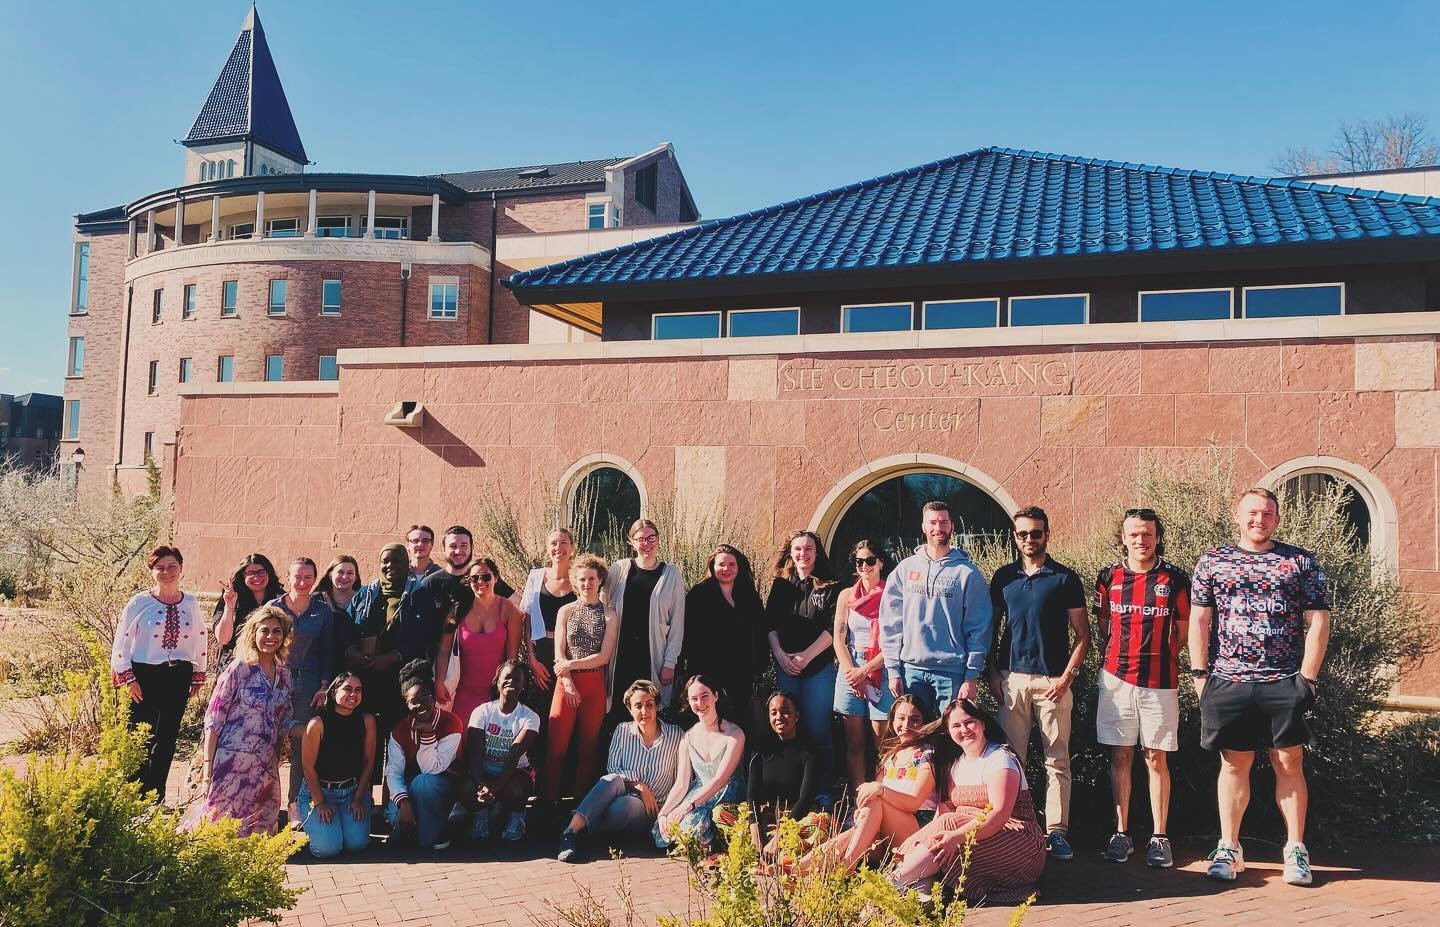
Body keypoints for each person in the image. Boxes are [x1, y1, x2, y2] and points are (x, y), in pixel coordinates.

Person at [1190, 488, 1330, 887]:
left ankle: (1296, 849)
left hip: (1283, 680)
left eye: (1267, 514)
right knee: (1234, 764)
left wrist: (1308, 678)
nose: (1259, 520)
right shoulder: (1214, 561)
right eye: (1252, 513)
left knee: (1289, 764)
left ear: (1277, 519)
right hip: (1228, 679)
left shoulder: (1299, 561)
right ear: (1237, 516)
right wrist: (1200, 675)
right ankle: (1229, 847)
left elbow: (1318, 618)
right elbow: (1200, 618)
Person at [985, 506, 1089, 862]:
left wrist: (1066, 679)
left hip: (1052, 682)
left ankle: (1057, 832)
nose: (1030, 539)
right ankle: (1014, 828)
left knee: (1057, 760)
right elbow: (989, 630)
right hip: (1011, 679)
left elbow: (1083, 635)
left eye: (1036, 533)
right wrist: (992, 674)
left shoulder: (1065, 578)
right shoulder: (1003, 578)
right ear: (1014, 536)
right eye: (1023, 534)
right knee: (1010, 761)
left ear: (1047, 534)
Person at [1094, 508, 1191, 869]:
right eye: (1134, 534)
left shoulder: (1176, 579)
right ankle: (1121, 834)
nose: (1141, 540)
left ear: (1158, 536)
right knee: (1120, 756)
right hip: (1116, 679)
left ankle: (1159, 836)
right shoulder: (1108, 576)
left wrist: (1162, 656)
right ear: (1123, 537)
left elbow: (1182, 631)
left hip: (1160, 682)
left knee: (1155, 757)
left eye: (1147, 534)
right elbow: (1104, 627)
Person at [892, 699, 1045, 905]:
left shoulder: (1000, 758)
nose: (964, 729)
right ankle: (919, 896)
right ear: (947, 731)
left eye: (969, 722)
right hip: (972, 838)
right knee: (945, 825)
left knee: (949, 823)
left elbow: (999, 813)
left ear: (982, 724)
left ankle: (890, 885)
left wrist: (955, 837)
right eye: (956, 726)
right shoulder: (954, 764)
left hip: (1019, 844)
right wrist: (939, 839)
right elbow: (943, 814)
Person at [110, 545, 209, 798]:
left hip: (178, 675)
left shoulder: (190, 602)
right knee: (140, 734)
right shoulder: (139, 603)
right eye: (160, 568)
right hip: (144, 675)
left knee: (166, 738)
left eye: (172, 567)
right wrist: (127, 676)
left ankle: (156, 795)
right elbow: (122, 639)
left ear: (181, 569)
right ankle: (134, 795)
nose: (166, 572)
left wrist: (198, 673)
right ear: (152, 571)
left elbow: (200, 637)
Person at [881, 501, 993, 717]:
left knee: (950, 737)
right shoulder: (906, 568)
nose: (938, 528)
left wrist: (971, 675)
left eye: (943, 522)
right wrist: (893, 670)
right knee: (914, 735)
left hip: (952, 672)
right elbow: (890, 622)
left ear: (951, 526)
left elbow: (979, 626)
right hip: (911, 671)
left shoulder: (967, 572)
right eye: (932, 522)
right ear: (923, 527)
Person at [802, 695, 936, 873]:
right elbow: (875, 800)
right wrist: (863, 811)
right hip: (885, 833)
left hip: (916, 828)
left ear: (925, 722)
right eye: (901, 718)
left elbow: (913, 802)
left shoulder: (928, 755)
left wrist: (880, 790)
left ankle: (847, 864)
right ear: (893, 720)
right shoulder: (890, 755)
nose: (906, 725)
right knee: (850, 837)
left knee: (876, 798)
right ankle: (795, 870)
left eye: (915, 720)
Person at [557, 679, 683, 862]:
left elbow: (681, 777)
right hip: (617, 801)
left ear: (657, 706)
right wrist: (639, 786)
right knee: (613, 780)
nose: (644, 712)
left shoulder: (675, 734)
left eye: (649, 705)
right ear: (629, 709)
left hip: (652, 811)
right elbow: (613, 769)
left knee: (630, 805)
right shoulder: (622, 731)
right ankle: (570, 833)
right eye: (638, 706)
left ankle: (585, 829)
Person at [197, 606, 295, 836]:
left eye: (277, 631)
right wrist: (207, 766)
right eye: (265, 631)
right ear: (254, 634)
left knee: (260, 833)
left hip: (265, 767)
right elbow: (214, 719)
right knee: (221, 829)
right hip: (231, 764)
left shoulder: (284, 676)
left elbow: (283, 722)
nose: (271, 637)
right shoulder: (239, 669)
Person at [766, 530, 841, 807]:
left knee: (819, 730)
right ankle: (796, 792)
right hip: (786, 667)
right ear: (791, 552)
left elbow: (834, 628)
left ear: (817, 552)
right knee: (788, 729)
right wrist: (780, 655)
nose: (803, 554)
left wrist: (807, 657)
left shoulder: (831, 586)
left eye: (808, 549)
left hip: (818, 668)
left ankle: (822, 792)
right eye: (798, 549)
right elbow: (770, 625)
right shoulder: (781, 586)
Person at [716, 691, 830, 860]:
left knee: (820, 823)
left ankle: (780, 852)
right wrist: (754, 830)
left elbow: (805, 799)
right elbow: (752, 795)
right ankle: (760, 849)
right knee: (720, 812)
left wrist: (780, 835)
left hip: (796, 819)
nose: (779, 717)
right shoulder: (759, 748)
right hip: (766, 816)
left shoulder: (809, 751)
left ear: (796, 715)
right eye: (773, 712)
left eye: (785, 711)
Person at [544, 554, 620, 805]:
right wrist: (567, 681)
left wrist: (570, 665)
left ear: (600, 581)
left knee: (588, 748)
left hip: (594, 684)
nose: (587, 583)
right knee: (556, 748)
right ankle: (549, 802)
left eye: (591, 578)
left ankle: (581, 806)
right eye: (582, 579)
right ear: (575, 582)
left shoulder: (610, 615)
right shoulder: (565, 610)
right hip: (565, 684)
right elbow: (559, 652)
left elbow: (603, 656)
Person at [350, 544, 443, 743]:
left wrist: (393, 656)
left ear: (407, 564)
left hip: (402, 680)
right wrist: (354, 652)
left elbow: (426, 636)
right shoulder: (365, 594)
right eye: (386, 561)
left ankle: (394, 776)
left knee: (398, 740)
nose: (391, 565)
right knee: (367, 739)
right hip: (366, 678)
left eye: (398, 561)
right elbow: (348, 629)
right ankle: (370, 776)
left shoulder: (419, 596)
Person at [269, 557, 335, 820]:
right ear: (287, 577)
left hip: (307, 681)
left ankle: (295, 803)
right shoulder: (274, 607)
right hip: (276, 678)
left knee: (300, 742)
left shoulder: (322, 611)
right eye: (297, 576)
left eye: (308, 577)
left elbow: (327, 650)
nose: (302, 582)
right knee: (268, 740)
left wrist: (324, 684)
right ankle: (266, 804)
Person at [679, 544, 766, 734]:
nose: (726, 569)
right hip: (709, 673)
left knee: (738, 725)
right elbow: (688, 635)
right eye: (721, 564)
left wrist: (759, 666)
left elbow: (760, 631)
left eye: (732, 564)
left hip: (741, 673)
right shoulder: (699, 594)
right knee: (711, 723)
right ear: (712, 567)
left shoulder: (748, 594)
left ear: (739, 567)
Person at [653, 674, 746, 850]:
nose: (700, 703)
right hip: (698, 792)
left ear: (716, 696)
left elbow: (720, 780)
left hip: (726, 793)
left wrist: (688, 806)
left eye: (705, 696)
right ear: (688, 702)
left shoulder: (734, 734)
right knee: (663, 829)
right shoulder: (687, 737)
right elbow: (681, 783)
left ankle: (714, 843)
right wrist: (663, 813)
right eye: (694, 698)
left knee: (690, 825)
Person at [832, 539, 894, 803]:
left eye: (870, 561)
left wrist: (866, 670)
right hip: (851, 665)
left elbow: (896, 641)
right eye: (860, 562)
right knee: (854, 744)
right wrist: (850, 671)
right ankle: (860, 802)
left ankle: (884, 799)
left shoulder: (893, 593)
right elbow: (838, 635)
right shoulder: (846, 596)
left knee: (884, 743)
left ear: (881, 562)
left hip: (882, 667)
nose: (865, 566)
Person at [605, 519, 685, 713]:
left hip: (653, 654)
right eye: (640, 539)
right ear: (631, 542)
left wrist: (670, 662)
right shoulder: (619, 569)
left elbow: (677, 623)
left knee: (650, 708)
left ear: (658, 540)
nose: (646, 544)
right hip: (621, 652)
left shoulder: (671, 574)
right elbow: (601, 605)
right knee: (617, 707)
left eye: (651, 538)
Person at [435, 557, 525, 726]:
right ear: (468, 581)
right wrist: (439, 682)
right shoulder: (458, 610)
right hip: (462, 693)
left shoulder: (508, 610)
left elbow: (512, 658)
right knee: (460, 742)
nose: (480, 582)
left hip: (495, 693)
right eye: (474, 578)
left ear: (496, 578)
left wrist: (506, 693)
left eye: (486, 577)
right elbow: (444, 649)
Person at [384, 659, 464, 850]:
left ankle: (431, 833)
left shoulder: (451, 722)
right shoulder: (400, 729)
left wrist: (428, 733)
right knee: (395, 815)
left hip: (441, 788)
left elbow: (433, 767)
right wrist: (403, 802)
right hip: (411, 790)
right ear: (406, 704)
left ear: (434, 697)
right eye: (413, 701)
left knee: (424, 782)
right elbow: (393, 772)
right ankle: (414, 826)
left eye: (425, 697)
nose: (421, 705)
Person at [298, 672, 376, 858]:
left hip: (351, 792)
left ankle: (342, 825)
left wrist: (358, 799)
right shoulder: (317, 724)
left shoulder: (367, 721)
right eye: (347, 689)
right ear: (333, 692)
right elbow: (308, 767)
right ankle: (314, 822)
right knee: (327, 849)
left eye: (358, 690)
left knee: (356, 844)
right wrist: (320, 803)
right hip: (319, 792)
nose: (353, 694)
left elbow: (368, 763)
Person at [518, 528, 577, 769]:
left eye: (564, 543)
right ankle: (541, 776)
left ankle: (565, 781)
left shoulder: (579, 578)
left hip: (572, 656)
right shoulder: (536, 577)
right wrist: (532, 658)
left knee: (569, 715)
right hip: (542, 654)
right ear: (547, 547)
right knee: (544, 713)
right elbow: (527, 619)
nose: (558, 548)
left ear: (572, 547)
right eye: (553, 543)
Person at [464, 660, 540, 842]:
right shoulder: (481, 712)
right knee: (465, 788)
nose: (511, 682)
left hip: (514, 772)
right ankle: (480, 814)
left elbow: (514, 754)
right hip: (485, 770)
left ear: (524, 685)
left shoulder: (530, 717)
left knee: (515, 790)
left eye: (517, 679)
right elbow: (474, 751)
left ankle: (517, 816)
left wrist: (496, 788)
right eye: (506, 677)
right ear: (497, 681)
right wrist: (481, 784)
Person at [212, 553, 284, 669]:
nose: (256, 577)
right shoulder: (230, 598)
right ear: (242, 576)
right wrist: (230, 606)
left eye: (261, 572)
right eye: (250, 573)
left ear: (269, 573)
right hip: (235, 668)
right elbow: (223, 639)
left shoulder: (281, 599)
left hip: (271, 668)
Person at [316, 555, 362, 670]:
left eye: (350, 573)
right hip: (322, 665)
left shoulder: (365, 599)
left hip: (355, 665)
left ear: (356, 577)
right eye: (340, 572)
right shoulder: (317, 600)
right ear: (330, 574)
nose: (345, 576)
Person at [404, 524, 440, 591]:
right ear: (407, 545)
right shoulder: (400, 573)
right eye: (415, 541)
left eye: (426, 541)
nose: (420, 544)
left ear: (431, 545)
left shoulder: (440, 575)